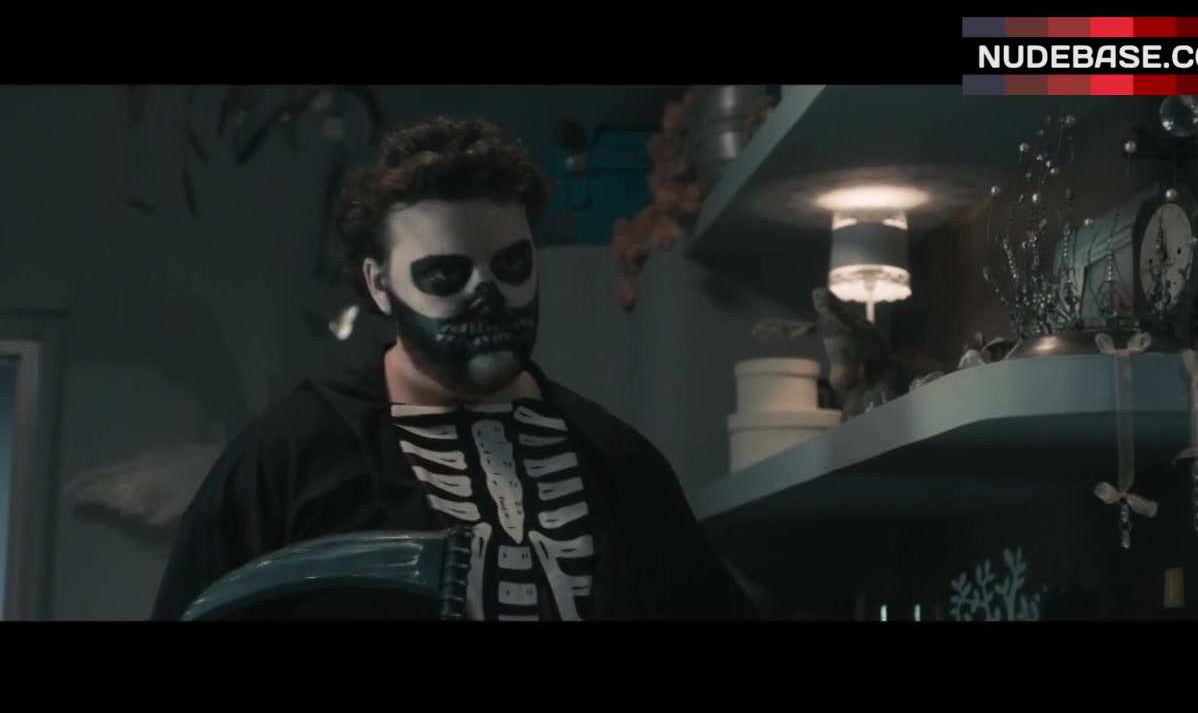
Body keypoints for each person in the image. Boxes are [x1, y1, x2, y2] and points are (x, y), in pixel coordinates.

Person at [151, 116, 754, 621]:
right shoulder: (287, 458)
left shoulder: (616, 460)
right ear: (379, 284)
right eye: (445, 274)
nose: (488, 299)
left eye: (511, 267)